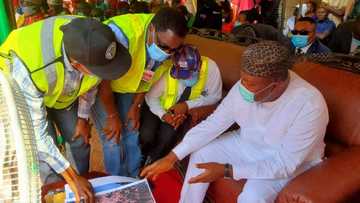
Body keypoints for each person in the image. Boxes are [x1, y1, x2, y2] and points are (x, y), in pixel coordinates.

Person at [141, 41, 329, 203]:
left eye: (251, 84)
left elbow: (286, 163)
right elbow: (213, 124)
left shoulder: (309, 104)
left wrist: (227, 171)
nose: (243, 87)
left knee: (253, 196)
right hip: (247, 143)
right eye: (242, 79)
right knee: (201, 154)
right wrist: (171, 157)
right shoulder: (243, 87)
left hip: (285, 159)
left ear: (277, 83)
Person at [0, 17, 131, 202]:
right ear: (77, 65)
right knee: (46, 159)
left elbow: (91, 83)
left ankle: (82, 181)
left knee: (79, 140)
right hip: (23, 93)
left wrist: (83, 118)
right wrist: (71, 177)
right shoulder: (32, 67)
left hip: (60, 94)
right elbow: (39, 139)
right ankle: (57, 190)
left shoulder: (93, 37)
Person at [91, 7, 188, 177]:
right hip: (102, 85)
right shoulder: (122, 35)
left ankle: (134, 178)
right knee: (113, 138)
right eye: (163, 46)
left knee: (131, 130)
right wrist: (113, 116)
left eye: (172, 49)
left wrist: (136, 106)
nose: (167, 53)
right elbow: (101, 80)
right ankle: (117, 182)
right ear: (151, 29)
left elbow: (148, 77)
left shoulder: (170, 50)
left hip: (128, 87)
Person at [140, 45, 222, 165]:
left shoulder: (211, 68)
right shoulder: (167, 73)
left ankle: (153, 162)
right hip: (156, 106)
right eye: (182, 75)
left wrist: (187, 106)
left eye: (189, 74)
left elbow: (214, 97)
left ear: (198, 67)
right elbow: (151, 97)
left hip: (182, 112)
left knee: (167, 137)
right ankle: (141, 158)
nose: (186, 78)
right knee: (147, 135)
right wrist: (163, 115)